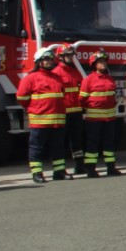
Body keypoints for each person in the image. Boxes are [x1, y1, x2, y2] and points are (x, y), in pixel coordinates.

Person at [16, 47, 67, 183]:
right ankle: (37, 173)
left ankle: (59, 171)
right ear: (38, 62)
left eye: (51, 59)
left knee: (58, 147)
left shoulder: (57, 77)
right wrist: (34, 108)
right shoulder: (31, 78)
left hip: (57, 121)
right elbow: (22, 97)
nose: (49, 62)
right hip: (40, 120)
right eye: (46, 60)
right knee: (37, 148)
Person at [80, 51, 121, 177]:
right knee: (93, 143)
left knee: (109, 143)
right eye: (100, 62)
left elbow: (113, 96)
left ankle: (111, 167)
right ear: (94, 64)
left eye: (104, 61)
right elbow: (82, 99)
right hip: (94, 119)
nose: (103, 64)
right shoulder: (88, 80)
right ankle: (91, 169)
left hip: (109, 118)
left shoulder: (110, 78)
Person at [50, 43, 85, 174]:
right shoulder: (56, 73)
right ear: (60, 57)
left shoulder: (75, 72)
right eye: (67, 55)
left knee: (77, 141)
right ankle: (59, 169)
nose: (70, 58)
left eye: (71, 55)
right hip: (63, 113)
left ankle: (79, 165)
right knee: (59, 142)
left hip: (76, 112)